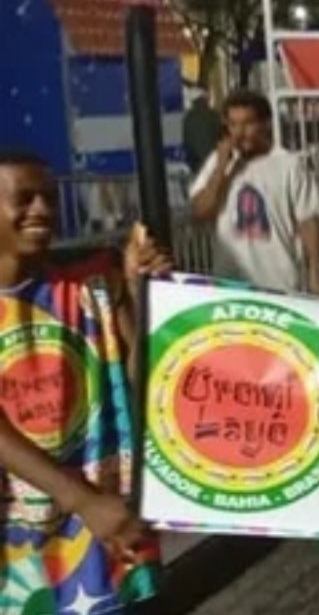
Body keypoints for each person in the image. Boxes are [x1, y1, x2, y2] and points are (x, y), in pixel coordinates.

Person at [0, 151, 166, 613]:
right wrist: (83, 501)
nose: (42, 210)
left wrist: (140, 295)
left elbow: (141, 380)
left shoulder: (91, 286)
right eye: (25, 198)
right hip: (25, 544)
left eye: (49, 198)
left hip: (107, 535)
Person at [188, 90, 319, 295]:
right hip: (229, 286)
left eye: (247, 124)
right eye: (233, 125)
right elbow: (200, 211)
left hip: (279, 285)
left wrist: (318, 276)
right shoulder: (219, 162)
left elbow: (308, 222)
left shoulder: (289, 165)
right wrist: (221, 168)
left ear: (265, 124)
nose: (239, 132)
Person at [180, 88, 221, 172]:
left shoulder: (188, 119)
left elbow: (187, 143)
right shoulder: (214, 115)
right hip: (217, 162)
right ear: (204, 100)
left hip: (199, 165)